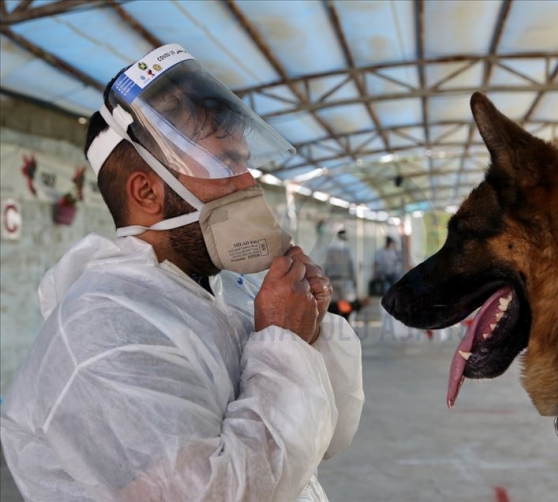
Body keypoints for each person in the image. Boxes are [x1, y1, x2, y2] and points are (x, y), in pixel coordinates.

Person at [0, 43, 364, 502]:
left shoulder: (227, 291)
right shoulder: (101, 334)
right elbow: (216, 493)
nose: (248, 181)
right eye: (225, 161)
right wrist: (282, 344)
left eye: (245, 161)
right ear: (148, 193)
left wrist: (305, 330)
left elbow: (325, 437)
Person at [323, 229, 356, 306]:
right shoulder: (348, 248)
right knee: (347, 306)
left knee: (335, 306)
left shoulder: (330, 248)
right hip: (345, 281)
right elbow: (352, 266)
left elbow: (326, 266)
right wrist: (355, 281)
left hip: (332, 280)